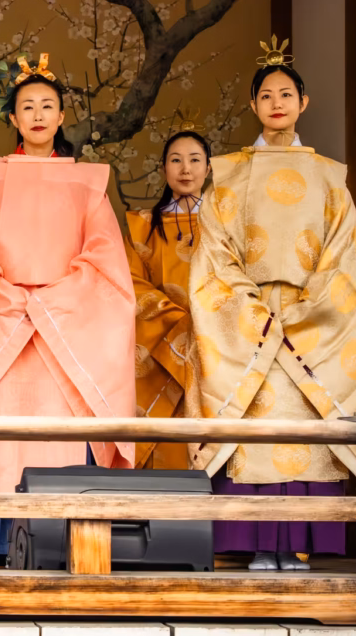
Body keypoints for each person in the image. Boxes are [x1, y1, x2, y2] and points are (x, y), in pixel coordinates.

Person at [0, 54, 136, 565]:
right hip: (1, 329)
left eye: (48, 105)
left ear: (62, 115)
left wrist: (52, 302)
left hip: (63, 336)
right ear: (13, 119)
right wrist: (10, 298)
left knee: (59, 440)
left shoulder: (87, 185)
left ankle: (65, 543)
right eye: (28, 107)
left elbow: (106, 263)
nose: (39, 114)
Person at [187, 38, 356, 571]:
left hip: (311, 318)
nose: (277, 103)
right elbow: (214, 254)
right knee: (254, 429)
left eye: (286, 94)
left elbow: (344, 256)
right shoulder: (225, 173)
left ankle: (300, 543)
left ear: (303, 103)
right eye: (266, 95)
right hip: (246, 320)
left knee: (302, 430)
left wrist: (308, 309)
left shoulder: (329, 177)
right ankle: (253, 544)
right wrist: (250, 310)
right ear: (252, 106)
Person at [123, 129, 210, 470]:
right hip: (159, 346)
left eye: (194, 160)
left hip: (213, 344)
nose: (185, 169)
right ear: (163, 169)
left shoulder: (227, 224)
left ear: (208, 168)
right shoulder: (142, 226)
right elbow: (130, 284)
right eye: (176, 160)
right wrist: (178, 324)